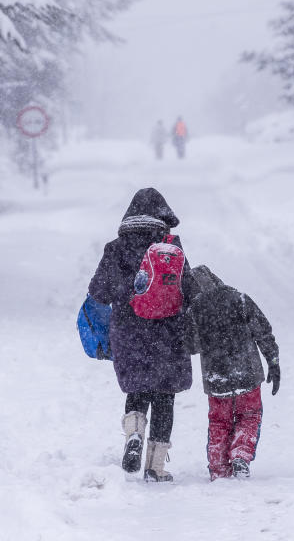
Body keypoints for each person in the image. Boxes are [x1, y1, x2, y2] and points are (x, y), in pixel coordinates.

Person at [88, 188, 196, 482]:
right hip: (168, 333)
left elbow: (98, 290)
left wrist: (125, 292)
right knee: (164, 397)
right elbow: (190, 289)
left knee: (137, 390)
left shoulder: (115, 248)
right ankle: (155, 466)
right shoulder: (170, 248)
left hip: (129, 331)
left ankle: (134, 432)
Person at [186, 265, 280, 480]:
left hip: (216, 377)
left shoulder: (194, 310)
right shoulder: (240, 299)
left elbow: (191, 347)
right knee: (249, 415)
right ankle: (241, 455)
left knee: (219, 422)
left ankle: (218, 468)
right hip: (247, 373)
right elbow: (263, 332)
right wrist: (273, 361)